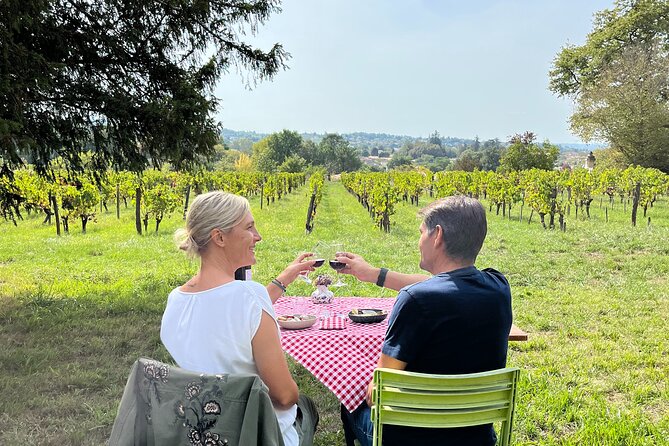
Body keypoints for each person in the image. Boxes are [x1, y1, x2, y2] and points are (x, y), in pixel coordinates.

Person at [336, 195, 512, 446]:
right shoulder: (499, 286)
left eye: (421, 233)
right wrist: (375, 274)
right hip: (476, 438)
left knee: (349, 404)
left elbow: (378, 393)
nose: (419, 242)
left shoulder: (415, 301)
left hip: (408, 439)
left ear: (437, 235)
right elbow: (450, 283)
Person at [160, 191, 319, 446]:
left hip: (203, 432)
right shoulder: (249, 297)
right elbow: (284, 396)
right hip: (257, 434)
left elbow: (226, 310)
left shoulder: (176, 300)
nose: (258, 236)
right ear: (219, 237)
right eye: (249, 227)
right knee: (306, 406)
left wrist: (284, 278)